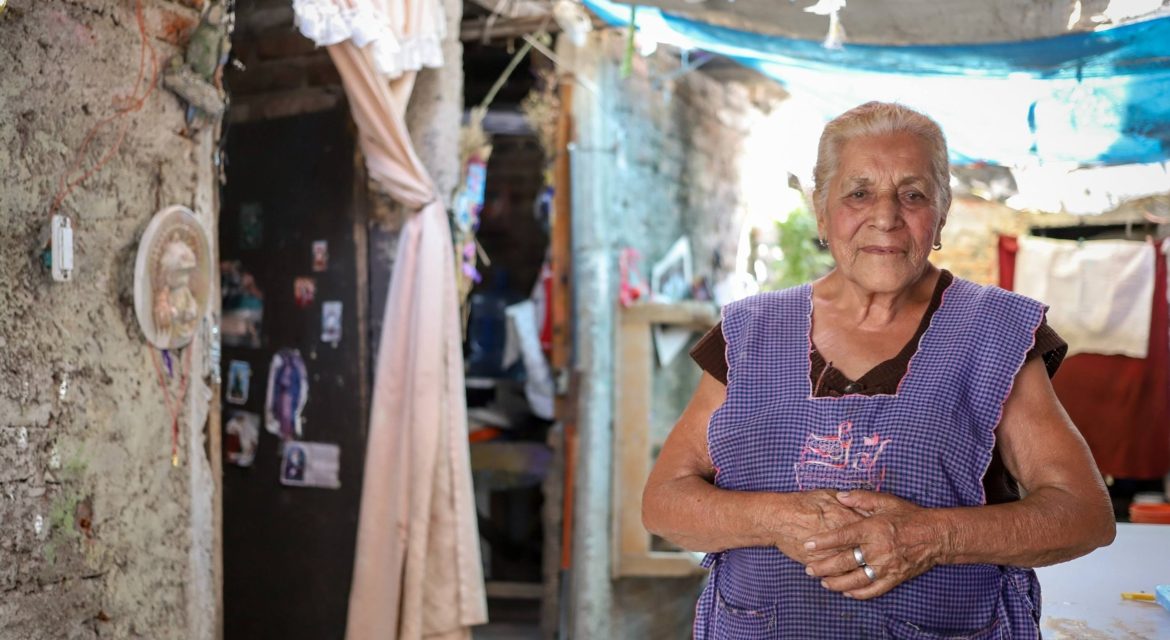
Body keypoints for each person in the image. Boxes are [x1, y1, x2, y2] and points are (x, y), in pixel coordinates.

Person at [642, 102, 1115, 639]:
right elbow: (664, 502)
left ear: (941, 213)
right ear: (822, 211)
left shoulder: (993, 333)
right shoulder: (752, 332)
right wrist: (779, 520)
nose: (885, 215)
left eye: (913, 194)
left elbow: (1083, 513)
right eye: (858, 192)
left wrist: (927, 537)